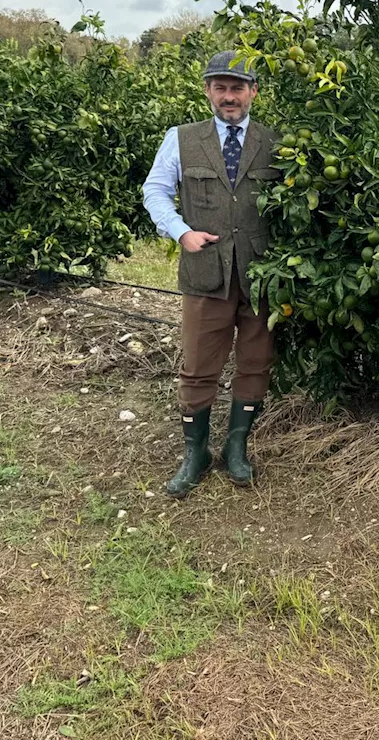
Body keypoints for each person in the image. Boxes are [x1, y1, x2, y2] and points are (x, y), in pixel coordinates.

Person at [142, 50, 280, 498]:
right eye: (220, 87)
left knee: (256, 361)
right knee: (199, 366)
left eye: (237, 87)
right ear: (207, 91)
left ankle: (236, 446)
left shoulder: (273, 141)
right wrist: (181, 232)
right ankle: (195, 452)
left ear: (253, 92)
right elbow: (156, 191)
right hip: (206, 271)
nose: (228, 96)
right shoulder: (181, 139)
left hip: (259, 275)